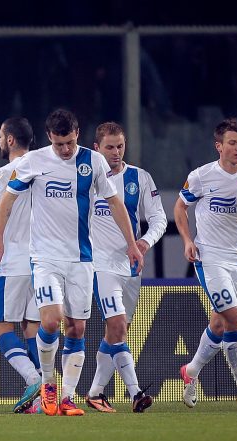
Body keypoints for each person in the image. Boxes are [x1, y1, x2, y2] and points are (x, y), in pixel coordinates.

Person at [0, 109, 145, 417]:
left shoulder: (93, 161)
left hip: (82, 259)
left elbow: (114, 202)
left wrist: (131, 243)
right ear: (49, 137)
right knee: (50, 321)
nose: (65, 150)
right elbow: (7, 199)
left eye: (70, 143)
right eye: (59, 144)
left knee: (77, 328)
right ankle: (48, 383)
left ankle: (67, 397)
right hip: (45, 258)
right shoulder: (33, 161)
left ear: (78, 134)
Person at [175, 118, 237, 410]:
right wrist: (187, 240)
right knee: (235, 319)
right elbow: (180, 207)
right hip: (209, 258)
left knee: (219, 322)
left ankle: (191, 370)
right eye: (232, 143)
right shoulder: (201, 176)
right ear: (219, 146)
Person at [85, 122, 167, 413]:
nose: (116, 152)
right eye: (109, 147)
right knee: (118, 326)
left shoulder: (139, 177)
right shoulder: (86, 180)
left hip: (131, 267)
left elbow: (159, 219)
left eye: (120, 146)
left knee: (116, 334)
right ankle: (136, 393)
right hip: (100, 265)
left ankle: (95, 392)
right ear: (97, 148)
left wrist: (144, 242)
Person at [0, 118, 42, 414]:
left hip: (13, 260)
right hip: (42, 262)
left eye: (0, 136)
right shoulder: (44, 168)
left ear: (9, 140)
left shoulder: (5, 172)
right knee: (33, 328)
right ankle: (43, 399)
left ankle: (33, 379)